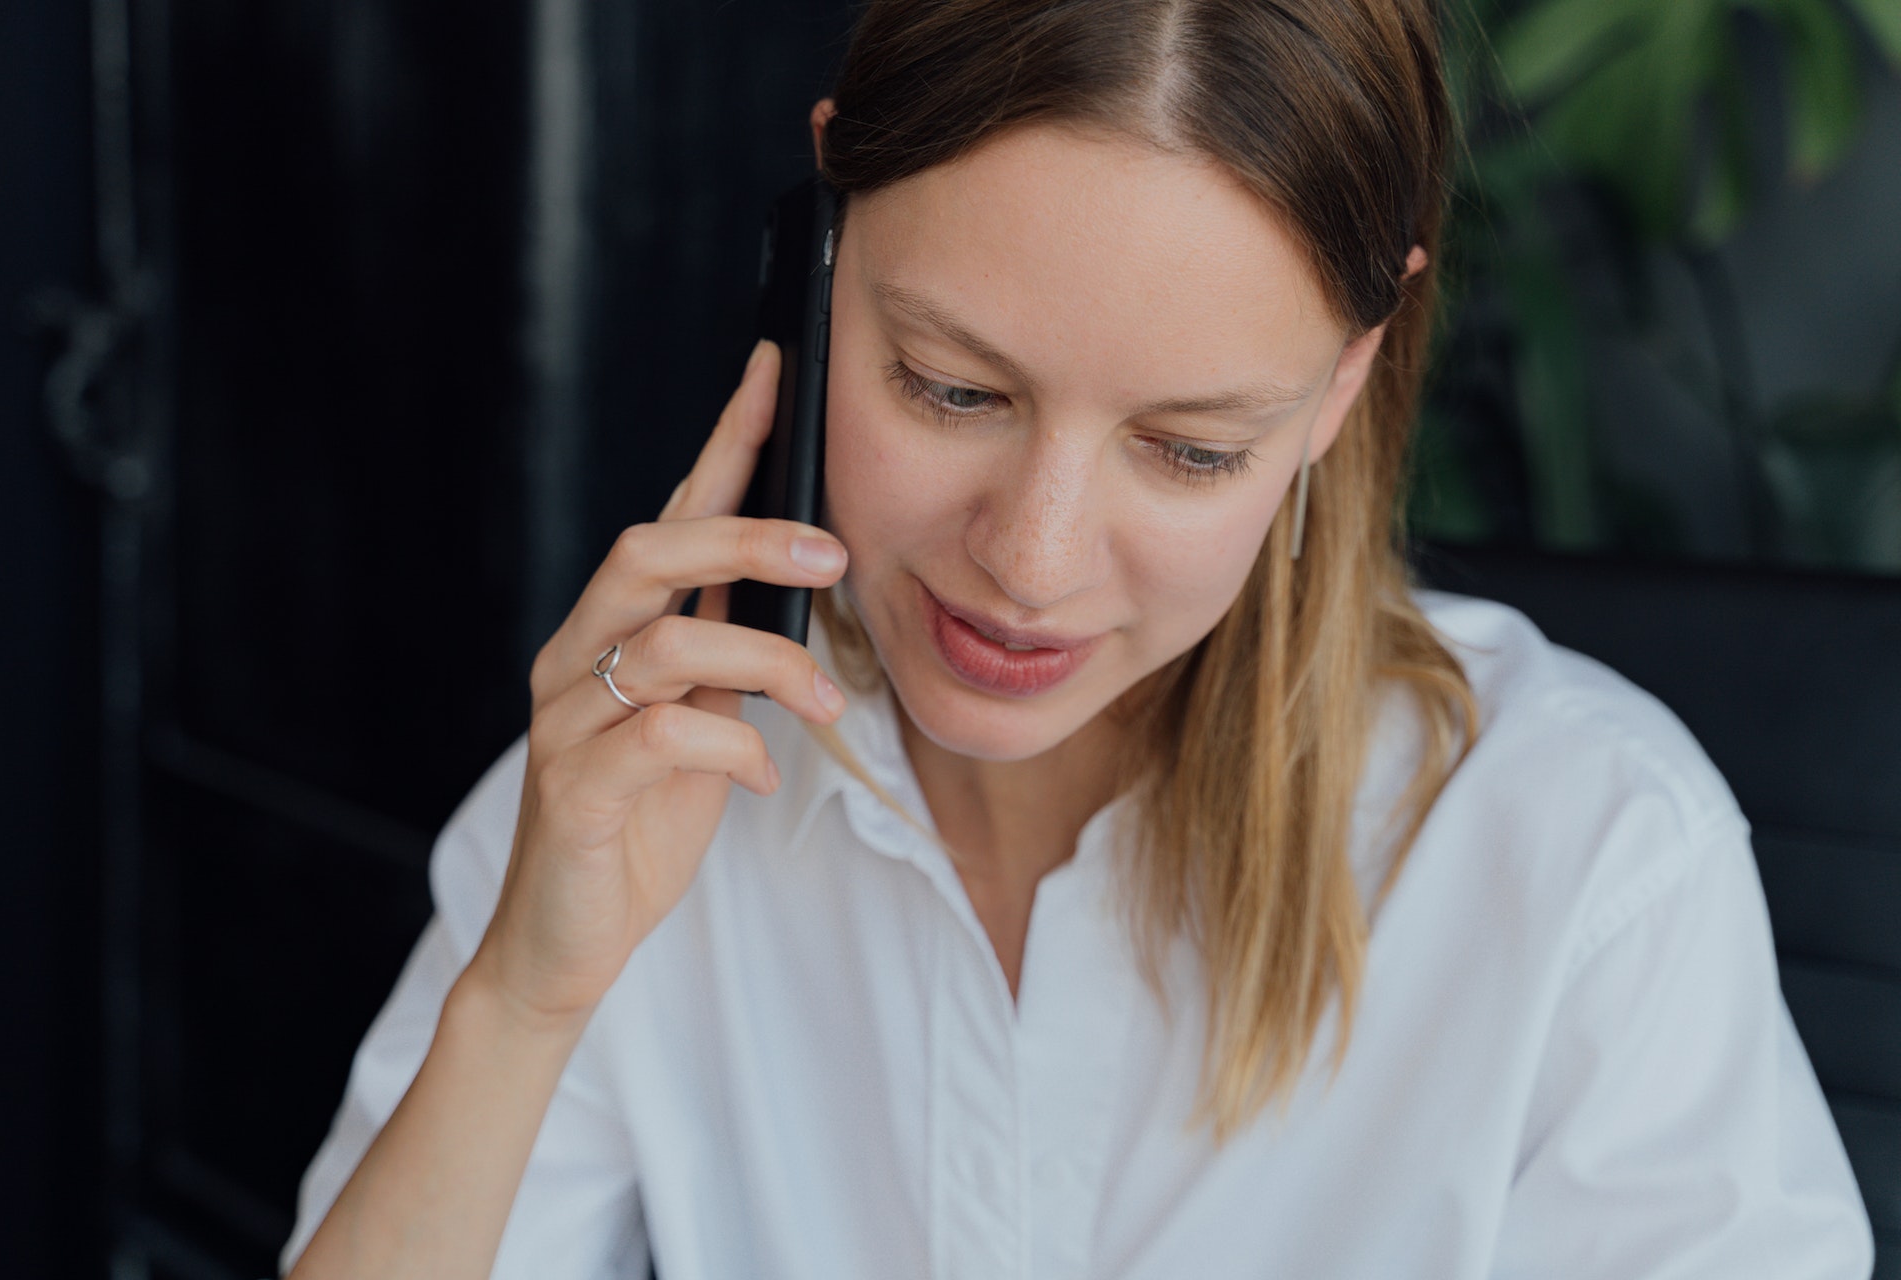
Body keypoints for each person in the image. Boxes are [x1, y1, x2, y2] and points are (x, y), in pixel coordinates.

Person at [280, 0, 1875, 1276]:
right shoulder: (649, 785)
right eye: (953, 388)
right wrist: (523, 1005)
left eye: (1189, 451)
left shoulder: (1590, 866)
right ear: (818, 251)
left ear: (1340, 382)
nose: (1028, 567)